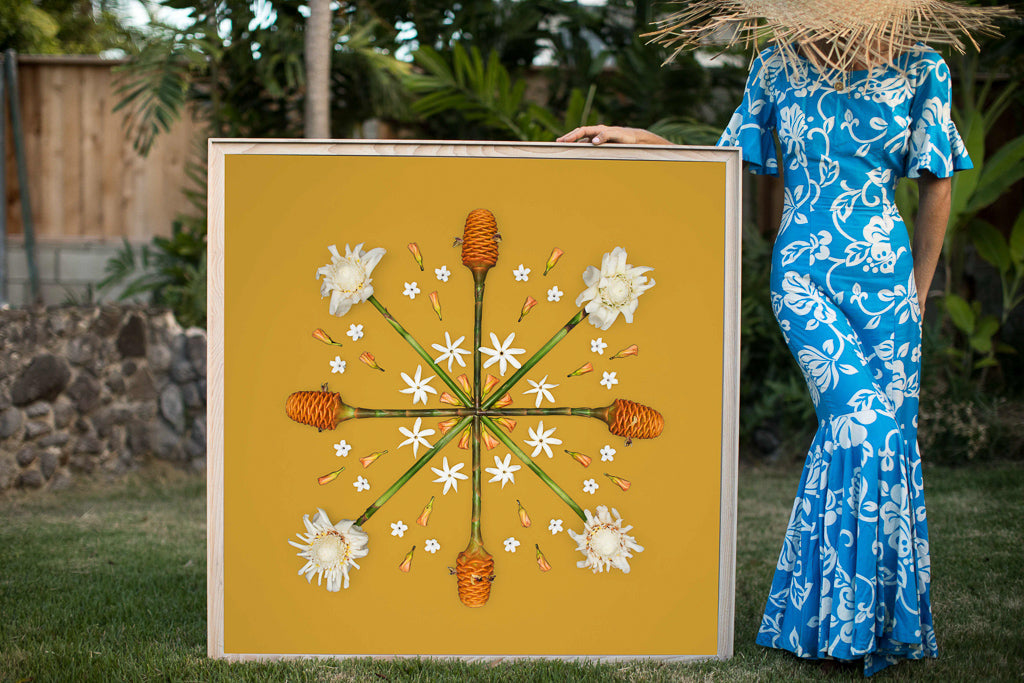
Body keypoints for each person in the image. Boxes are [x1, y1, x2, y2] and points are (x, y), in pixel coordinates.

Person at [557, 2, 1012, 671]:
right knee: (863, 428)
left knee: (879, 443)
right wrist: (638, 136)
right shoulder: (779, 67)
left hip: (887, 287)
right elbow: (727, 158)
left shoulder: (924, 70)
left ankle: (845, 624)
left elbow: (937, 181)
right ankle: (846, 622)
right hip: (803, 278)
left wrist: (917, 292)